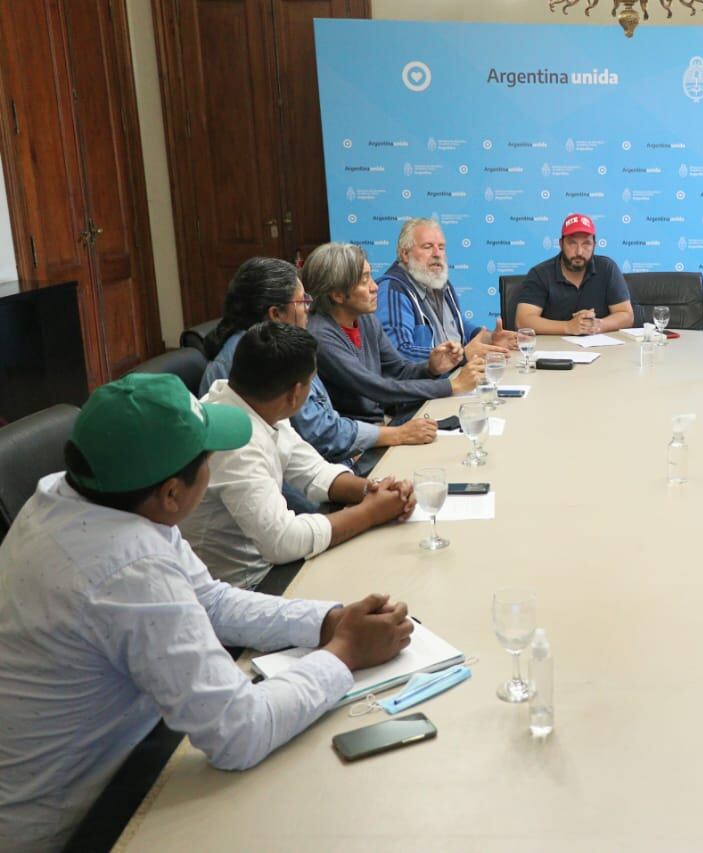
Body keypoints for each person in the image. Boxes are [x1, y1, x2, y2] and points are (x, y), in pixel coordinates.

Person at [0, 373, 413, 851]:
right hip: (80, 821)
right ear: (173, 493)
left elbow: (209, 599)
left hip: (116, 758)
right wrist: (345, 653)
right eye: (209, 460)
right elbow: (239, 733)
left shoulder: (78, 496)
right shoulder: (128, 568)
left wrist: (327, 620)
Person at [180, 322, 418, 590]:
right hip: (253, 586)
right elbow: (282, 542)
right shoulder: (236, 443)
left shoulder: (254, 400)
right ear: (295, 393)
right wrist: (370, 513)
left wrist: (372, 489)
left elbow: (314, 471)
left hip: (277, 568)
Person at [201, 257, 437, 471]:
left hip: (329, 465)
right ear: (275, 314)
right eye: (302, 301)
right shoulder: (258, 357)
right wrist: (395, 435)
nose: (308, 308)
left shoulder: (280, 343)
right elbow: (318, 433)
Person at [305, 242, 483, 423]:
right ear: (337, 295)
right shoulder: (321, 336)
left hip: (381, 423)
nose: (375, 287)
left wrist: (430, 368)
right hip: (357, 439)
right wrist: (451, 385)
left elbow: (398, 370)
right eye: (365, 280)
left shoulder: (365, 319)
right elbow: (378, 389)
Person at [376, 218, 517, 362]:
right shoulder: (394, 290)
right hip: (425, 383)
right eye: (428, 246)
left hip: (455, 376)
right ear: (405, 254)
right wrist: (460, 357)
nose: (437, 254)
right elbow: (398, 353)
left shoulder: (441, 284)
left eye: (441, 247)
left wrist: (489, 338)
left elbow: (456, 326)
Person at [515, 213, 634, 335]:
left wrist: (596, 325)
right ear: (561, 244)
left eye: (586, 243)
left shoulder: (607, 268)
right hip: (553, 350)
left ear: (594, 245)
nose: (579, 252)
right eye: (572, 243)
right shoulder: (540, 273)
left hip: (600, 349)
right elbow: (523, 321)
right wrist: (568, 327)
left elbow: (626, 316)